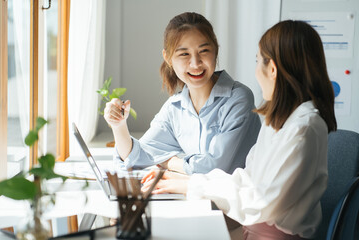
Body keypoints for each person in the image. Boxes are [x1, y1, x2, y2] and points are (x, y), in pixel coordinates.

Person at [141, 20, 337, 239]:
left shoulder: (303, 128)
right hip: (253, 228)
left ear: (271, 69)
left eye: (256, 61)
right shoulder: (281, 120)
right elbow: (247, 179)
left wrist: (191, 186)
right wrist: (186, 182)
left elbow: (260, 202)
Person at [104, 12, 261, 175]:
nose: (196, 63)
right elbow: (137, 157)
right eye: (184, 54)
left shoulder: (238, 99)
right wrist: (119, 125)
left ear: (216, 50)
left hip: (239, 197)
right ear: (168, 58)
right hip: (199, 197)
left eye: (204, 50)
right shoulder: (175, 108)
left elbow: (217, 169)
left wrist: (170, 162)